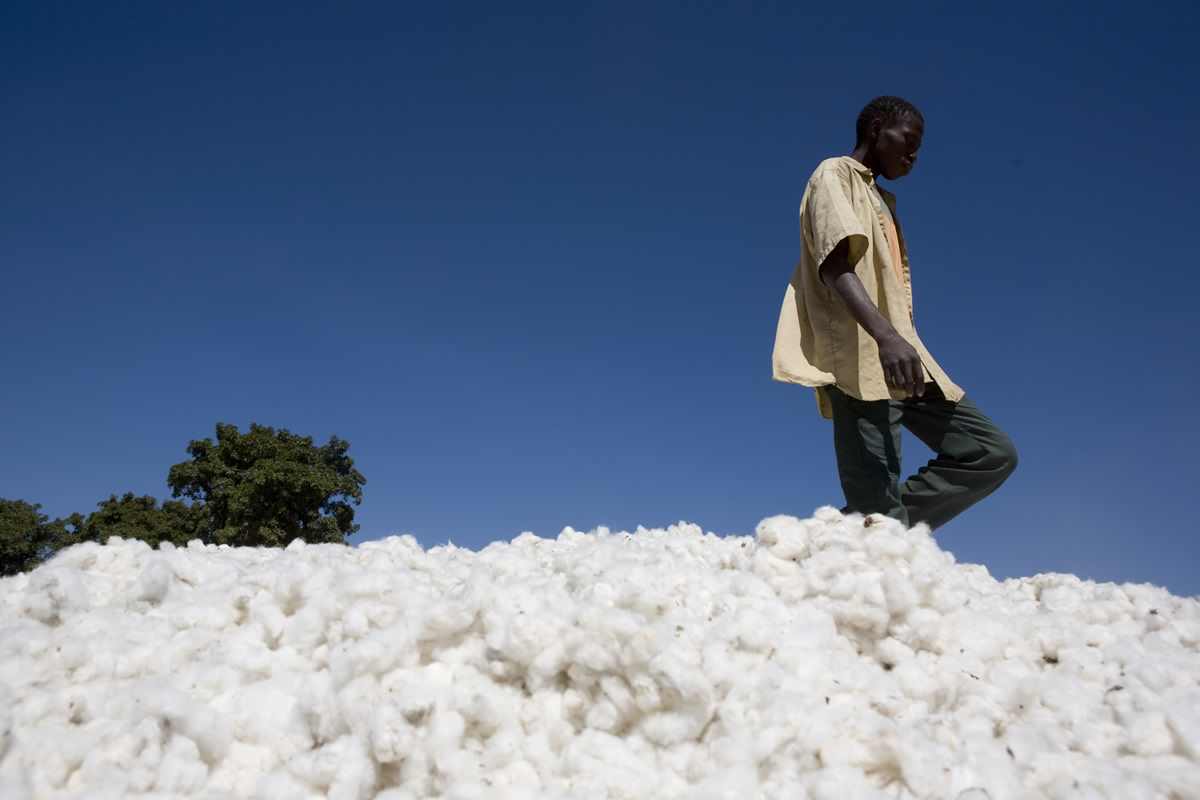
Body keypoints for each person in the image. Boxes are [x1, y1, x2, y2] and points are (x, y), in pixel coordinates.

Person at [771, 95, 1017, 531]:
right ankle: (874, 529)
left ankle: (861, 528)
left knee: (990, 453)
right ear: (876, 129)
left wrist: (899, 341)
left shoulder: (880, 199)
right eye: (909, 139)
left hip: (906, 361)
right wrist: (885, 338)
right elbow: (834, 264)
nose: (914, 154)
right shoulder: (835, 174)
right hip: (863, 361)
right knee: (879, 506)